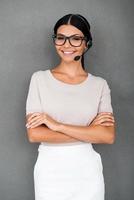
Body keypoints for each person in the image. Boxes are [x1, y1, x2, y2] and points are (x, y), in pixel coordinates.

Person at [25, 13, 116, 200]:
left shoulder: (99, 85)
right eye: (61, 38)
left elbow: (107, 136)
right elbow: (35, 134)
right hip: (50, 170)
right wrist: (90, 131)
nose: (67, 45)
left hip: (87, 171)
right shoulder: (39, 79)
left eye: (75, 39)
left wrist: (57, 126)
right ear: (55, 41)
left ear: (86, 43)